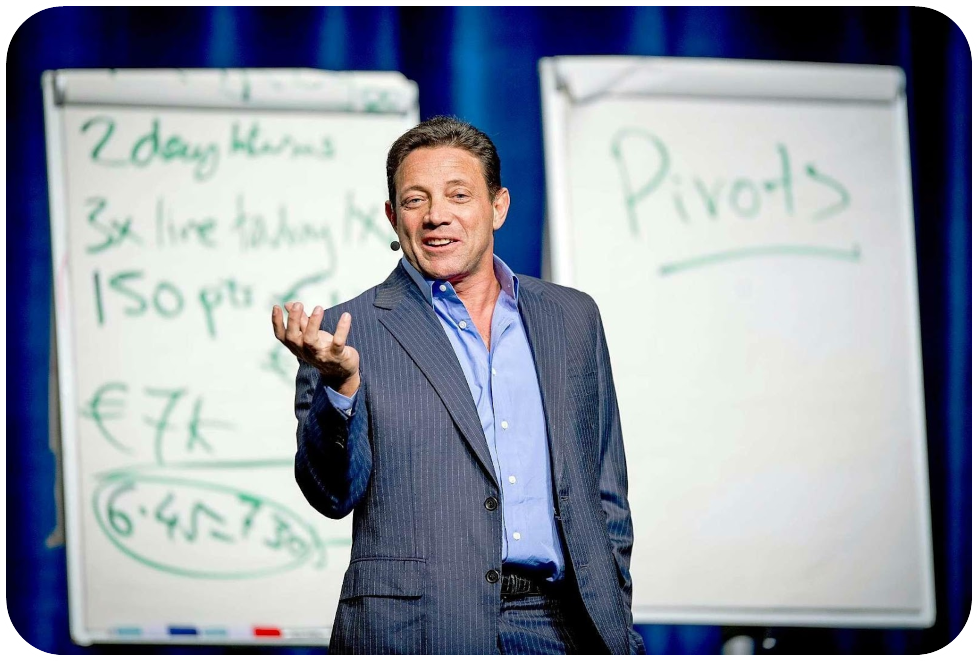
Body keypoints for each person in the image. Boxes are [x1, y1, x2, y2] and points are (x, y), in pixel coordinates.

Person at [271, 116, 643, 655]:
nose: (436, 215)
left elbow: (606, 489)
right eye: (415, 200)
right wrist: (340, 384)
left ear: (498, 207)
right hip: (416, 631)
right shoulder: (346, 333)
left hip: (562, 628)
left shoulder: (572, 317)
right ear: (392, 217)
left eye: (458, 195)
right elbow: (330, 494)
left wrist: (616, 616)